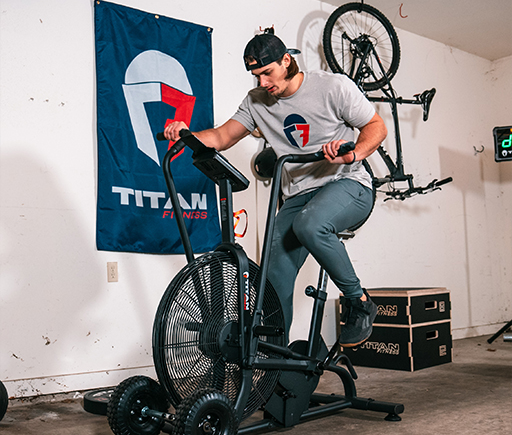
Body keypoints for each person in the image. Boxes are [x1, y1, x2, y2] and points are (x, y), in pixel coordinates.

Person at [164, 32, 387, 348]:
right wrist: (186, 134)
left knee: (310, 224)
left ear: (286, 61)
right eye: (257, 76)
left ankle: (360, 301)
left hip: (347, 184)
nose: (263, 82)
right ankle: (273, 365)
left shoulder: (332, 86)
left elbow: (376, 127)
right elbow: (223, 136)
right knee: (272, 278)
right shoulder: (257, 101)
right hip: (298, 195)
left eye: (267, 72)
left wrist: (352, 153)